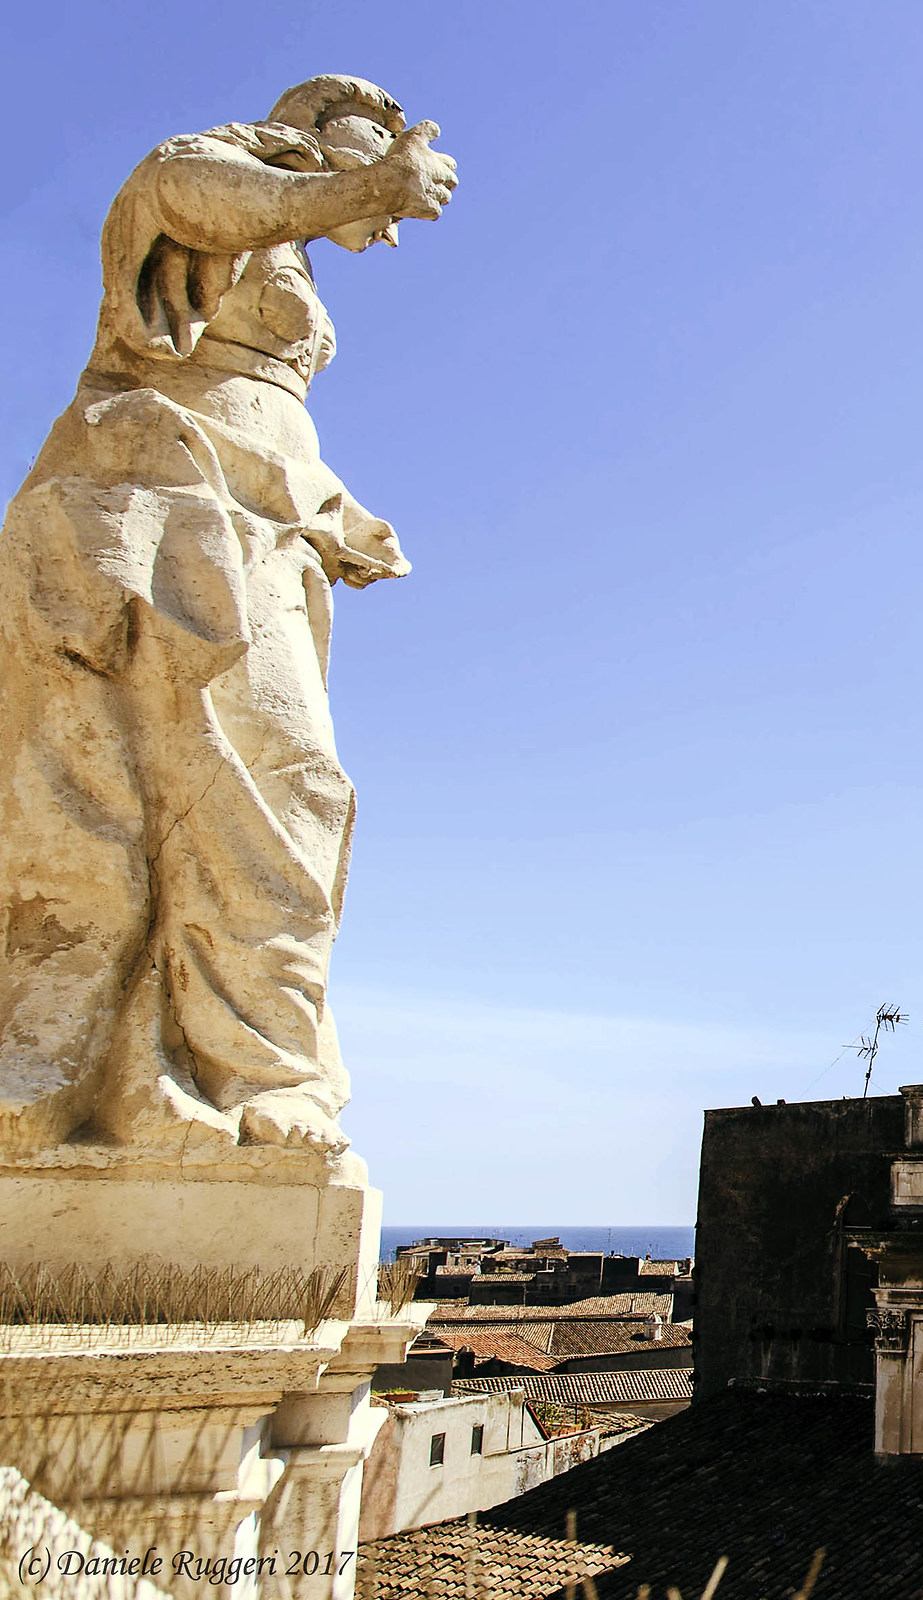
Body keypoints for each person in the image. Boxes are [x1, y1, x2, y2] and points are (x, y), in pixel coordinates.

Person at [0, 76, 456, 1160]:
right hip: (151, 505)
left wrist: (331, 509)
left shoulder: (287, 237)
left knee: (282, 787)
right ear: (329, 132)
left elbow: (263, 410)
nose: (387, 230)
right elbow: (188, 196)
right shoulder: (205, 169)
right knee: (246, 788)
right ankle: (222, 1071)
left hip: (250, 518)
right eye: (389, 188)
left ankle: (244, 1068)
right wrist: (361, 182)